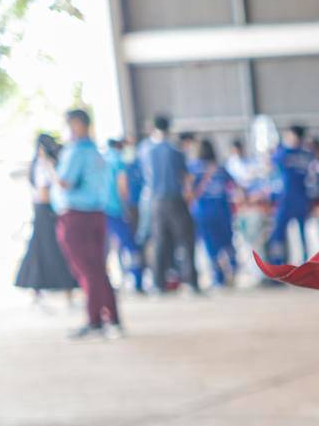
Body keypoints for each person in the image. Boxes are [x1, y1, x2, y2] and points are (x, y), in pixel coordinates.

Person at [51, 109, 121, 339]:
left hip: (76, 217)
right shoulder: (97, 152)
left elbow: (65, 183)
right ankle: (112, 317)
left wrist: (50, 164)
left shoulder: (75, 152)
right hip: (97, 214)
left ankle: (95, 321)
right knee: (98, 268)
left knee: (87, 270)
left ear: (78, 124)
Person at [14, 133, 79, 305]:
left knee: (41, 250)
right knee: (54, 251)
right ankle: (64, 290)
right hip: (47, 212)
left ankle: (43, 291)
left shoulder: (41, 164)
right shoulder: (43, 165)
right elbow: (44, 194)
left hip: (43, 211)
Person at [140, 114, 199, 294]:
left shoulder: (145, 149)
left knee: (160, 241)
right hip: (174, 198)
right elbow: (185, 177)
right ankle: (190, 282)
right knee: (186, 239)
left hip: (155, 200)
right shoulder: (175, 150)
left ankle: (158, 283)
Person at [189, 138, 238, 287]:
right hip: (223, 211)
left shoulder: (193, 168)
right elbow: (236, 186)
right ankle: (234, 268)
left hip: (203, 212)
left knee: (211, 245)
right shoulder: (221, 168)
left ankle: (219, 278)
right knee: (227, 241)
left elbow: (189, 191)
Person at [266, 124, 314, 263]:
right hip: (301, 198)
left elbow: (269, 164)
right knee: (301, 234)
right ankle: (305, 262)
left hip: (286, 200)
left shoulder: (283, 153)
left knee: (278, 234)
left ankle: (278, 262)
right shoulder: (307, 154)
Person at [102, 137, 142, 290]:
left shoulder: (102, 160)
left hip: (101, 209)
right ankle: (137, 280)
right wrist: (126, 207)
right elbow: (122, 186)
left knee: (105, 248)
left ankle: (106, 282)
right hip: (116, 209)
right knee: (130, 245)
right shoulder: (119, 161)